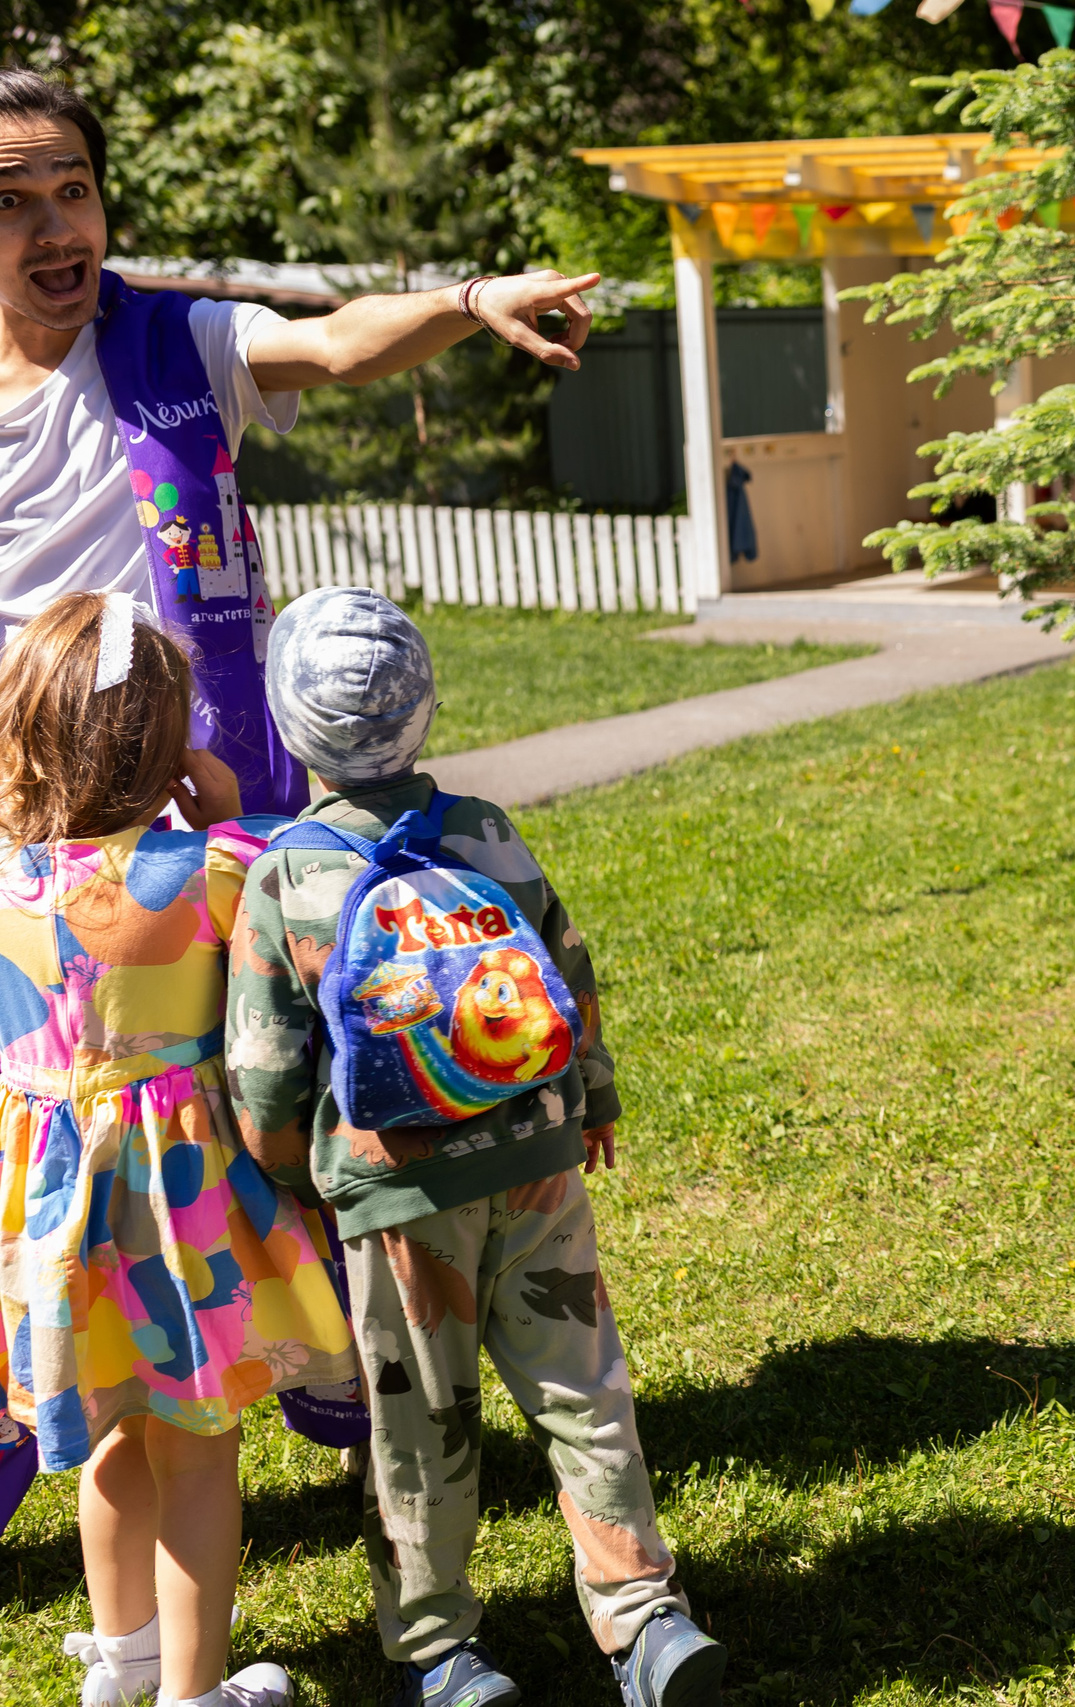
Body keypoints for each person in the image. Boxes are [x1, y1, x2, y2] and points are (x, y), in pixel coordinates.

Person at [224, 589, 724, 1707]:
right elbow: (567, 976)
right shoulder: (488, 830)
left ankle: (441, 1650)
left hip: (397, 1192)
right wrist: (591, 1102)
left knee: (419, 1421)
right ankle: (644, 1620)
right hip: (536, 1156)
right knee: (583, 1388)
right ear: (427, 708)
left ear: (291, 731)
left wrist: (294, 1179)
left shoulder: (286, 876)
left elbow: (262, 1074)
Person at [0, 69, 597, 815]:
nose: (56, 229)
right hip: (20, 801)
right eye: (10, 200)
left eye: (74, 189)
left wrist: (469, 300)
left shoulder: (182, 344)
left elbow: (339, 344)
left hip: (198, 802)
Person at [0, 591, 359, 1707]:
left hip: (57, 1222)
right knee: (197, 1451)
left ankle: (126, 1664)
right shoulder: (218, 865)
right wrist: (231, 803)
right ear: (168, 745)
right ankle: (195, 1696)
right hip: (179, 1215)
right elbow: (291, 904)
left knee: (105, 1440)